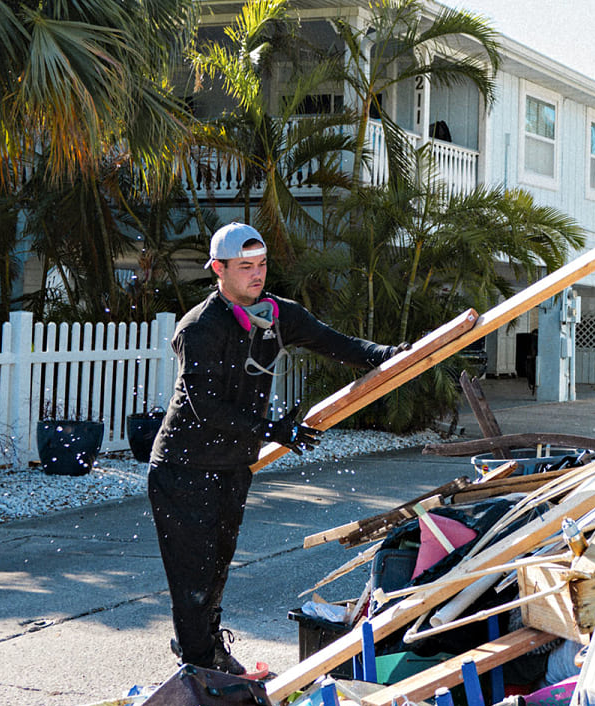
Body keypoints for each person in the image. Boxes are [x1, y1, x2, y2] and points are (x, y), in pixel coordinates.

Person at [148, 222, 407, 675]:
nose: (257, 274)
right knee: (192, 575)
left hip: (231, 463)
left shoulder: (276, 314)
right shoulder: (200, 328)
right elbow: (204, 405)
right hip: (184, 467)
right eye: (244, 266)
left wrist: (391, 354)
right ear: (218, 269)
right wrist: (270, 428)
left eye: (262, 264)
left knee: (216, 569)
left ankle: (206, 650)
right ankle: (198, 671)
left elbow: (337, 344)